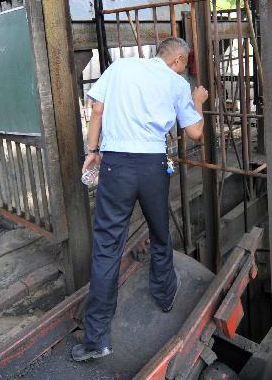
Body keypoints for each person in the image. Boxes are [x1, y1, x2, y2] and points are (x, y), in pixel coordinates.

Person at [71, 36, 208, 362]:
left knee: (106, 247)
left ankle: (96, 341)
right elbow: (196, 132)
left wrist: (93, 151)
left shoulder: (119, 68)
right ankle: (164, 295)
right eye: (183, 64)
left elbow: (97, 109)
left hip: (116, 164)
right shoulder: (176, 83)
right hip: (152, 167)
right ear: (178, 60)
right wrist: (197, 99)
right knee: (160, 234)